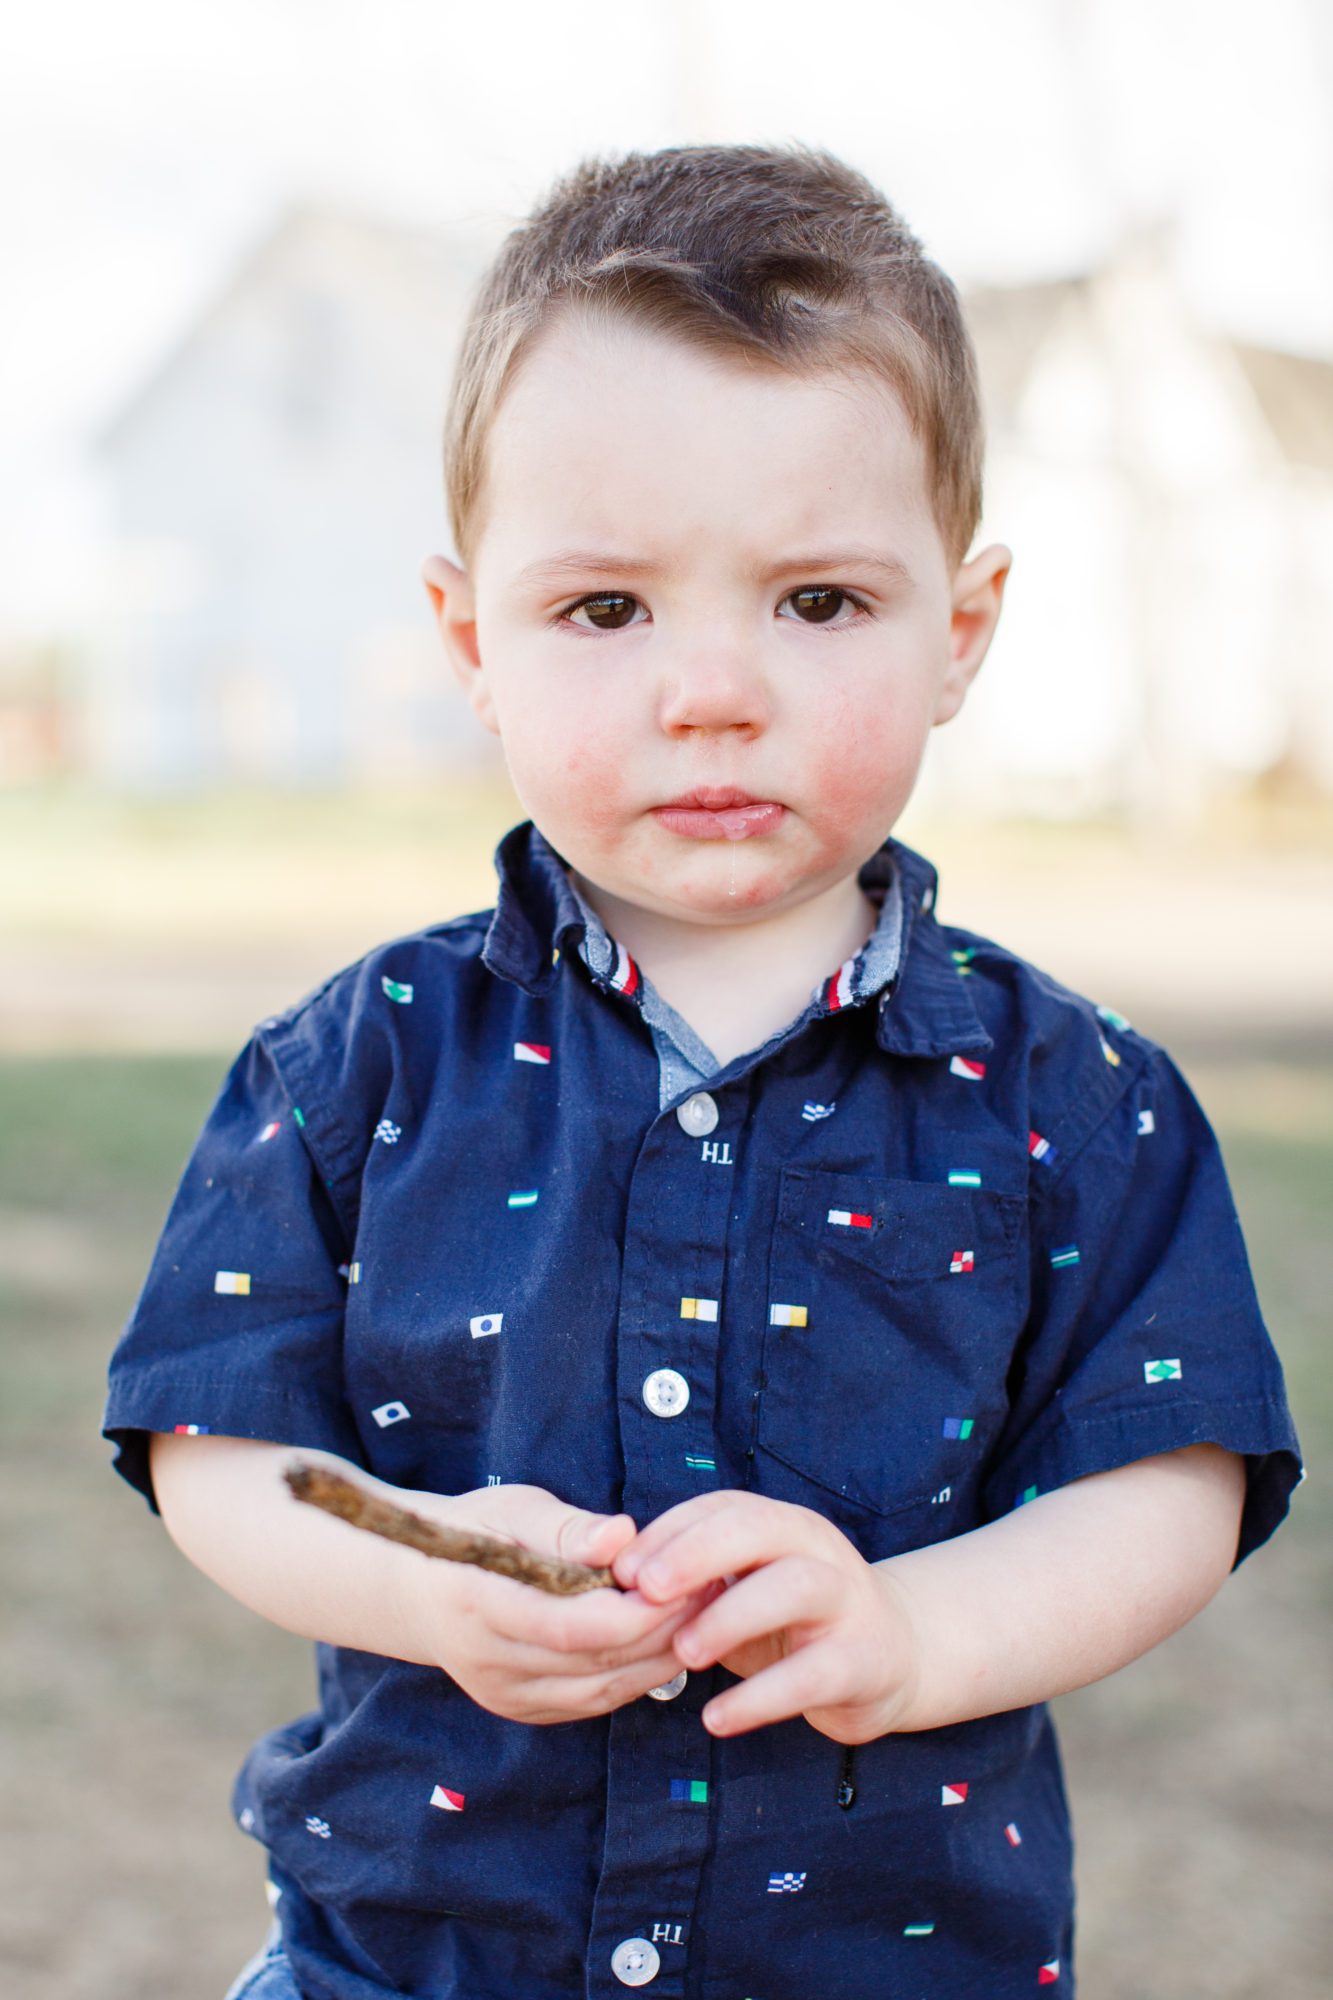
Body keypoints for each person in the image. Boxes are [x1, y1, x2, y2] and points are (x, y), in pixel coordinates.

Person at [102, 143, 1302, 2000]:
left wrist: (910, 1627)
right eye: (607, 611)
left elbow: (1171, 1477)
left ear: (958, 632)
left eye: (817, 601)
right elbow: (216, 1440)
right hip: (414, 1956)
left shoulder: (1081, 1096)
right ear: (469, 641)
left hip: (885, 1963)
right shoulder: (356, 1065)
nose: (711, 689)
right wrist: (422, 1571)